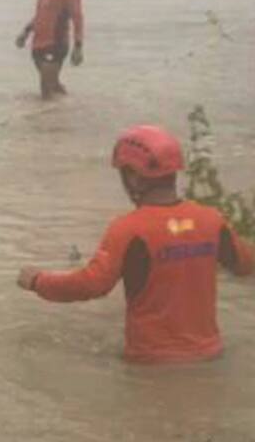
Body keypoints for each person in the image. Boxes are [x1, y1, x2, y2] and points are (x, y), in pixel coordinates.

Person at [17, 125, 253, 364]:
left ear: (133, 176)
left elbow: (91, 284)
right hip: (211, 357)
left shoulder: (128, 229)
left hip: (150, 363)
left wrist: (38, 281)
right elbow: (246, 265)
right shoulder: (212, 220)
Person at [15, 0, 85, 100]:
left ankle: (47, 122)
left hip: (56, 44)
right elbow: (41, 14)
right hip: (38, 43)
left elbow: (77, 19)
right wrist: (26, 32)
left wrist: (78, 47)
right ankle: (70, 108)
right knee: (53, 85)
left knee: (45, 93)